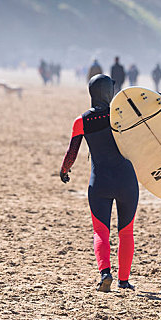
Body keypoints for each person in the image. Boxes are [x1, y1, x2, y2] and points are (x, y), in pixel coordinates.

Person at [60, 74, 139, 291]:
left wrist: (64, 170)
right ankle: (124, 280)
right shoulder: (123, 117)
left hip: (100, 183)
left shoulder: (82, 121)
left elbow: (71, 153)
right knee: (126, 231)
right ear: (109, 93)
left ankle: (105, 273)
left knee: (101, 231)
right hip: (127, 183)